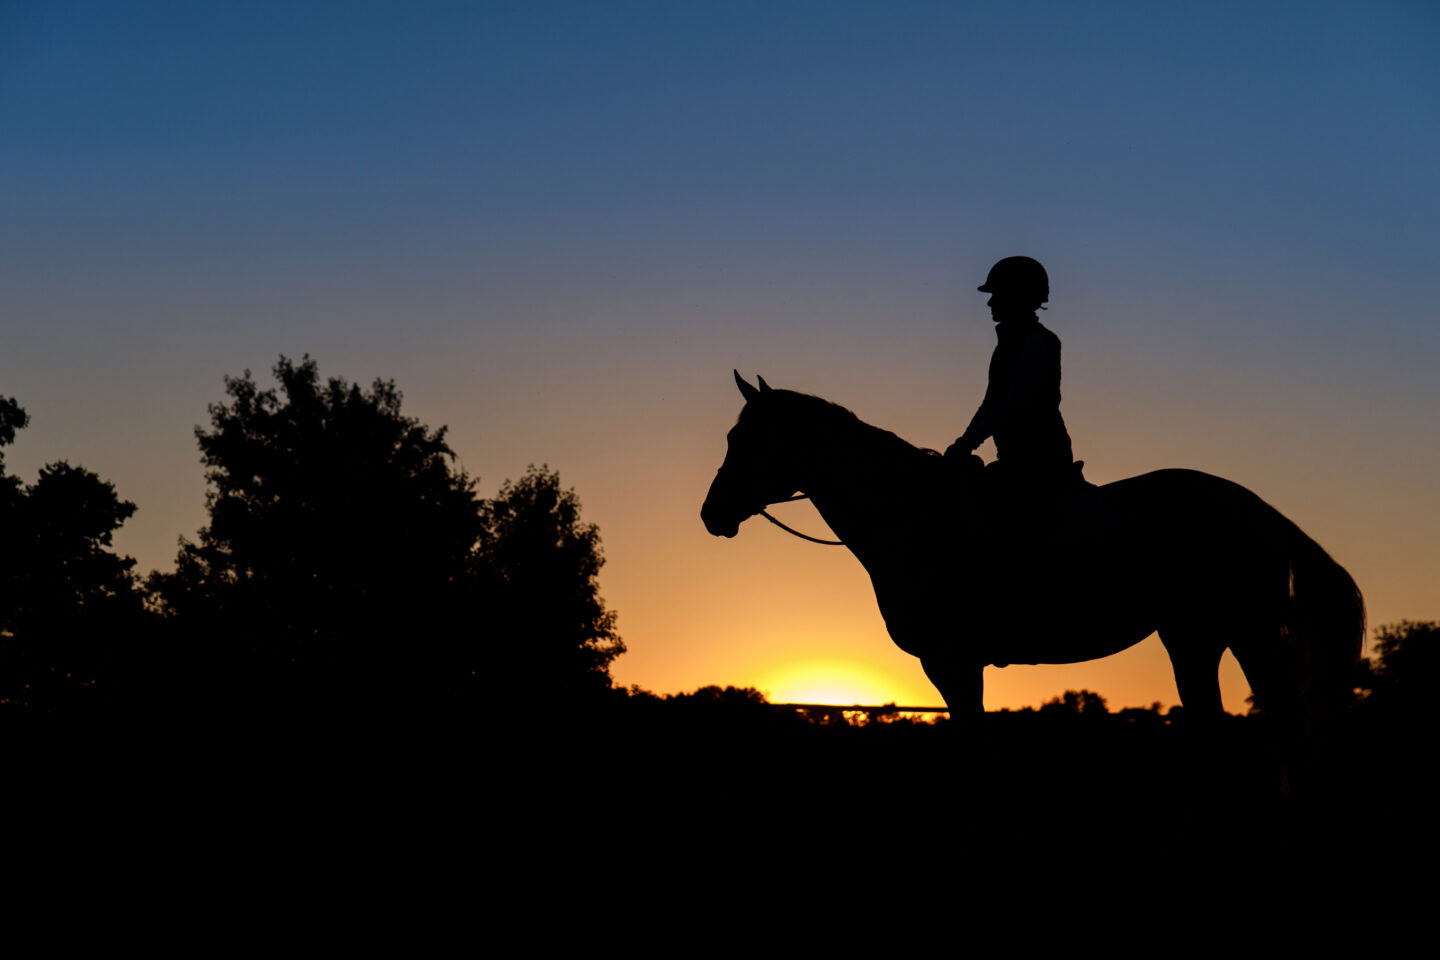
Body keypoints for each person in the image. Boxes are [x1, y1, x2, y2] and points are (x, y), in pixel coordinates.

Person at [945, 256, 1077, 496]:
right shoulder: (1007, 345)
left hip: (1039, 463)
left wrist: (969, 441)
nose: (990, 303)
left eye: (997, 294)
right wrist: (965, 440)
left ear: (1017, 296)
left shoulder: (1038, 343)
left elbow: (1014, 402)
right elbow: (991, 400)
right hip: (1012, 459)